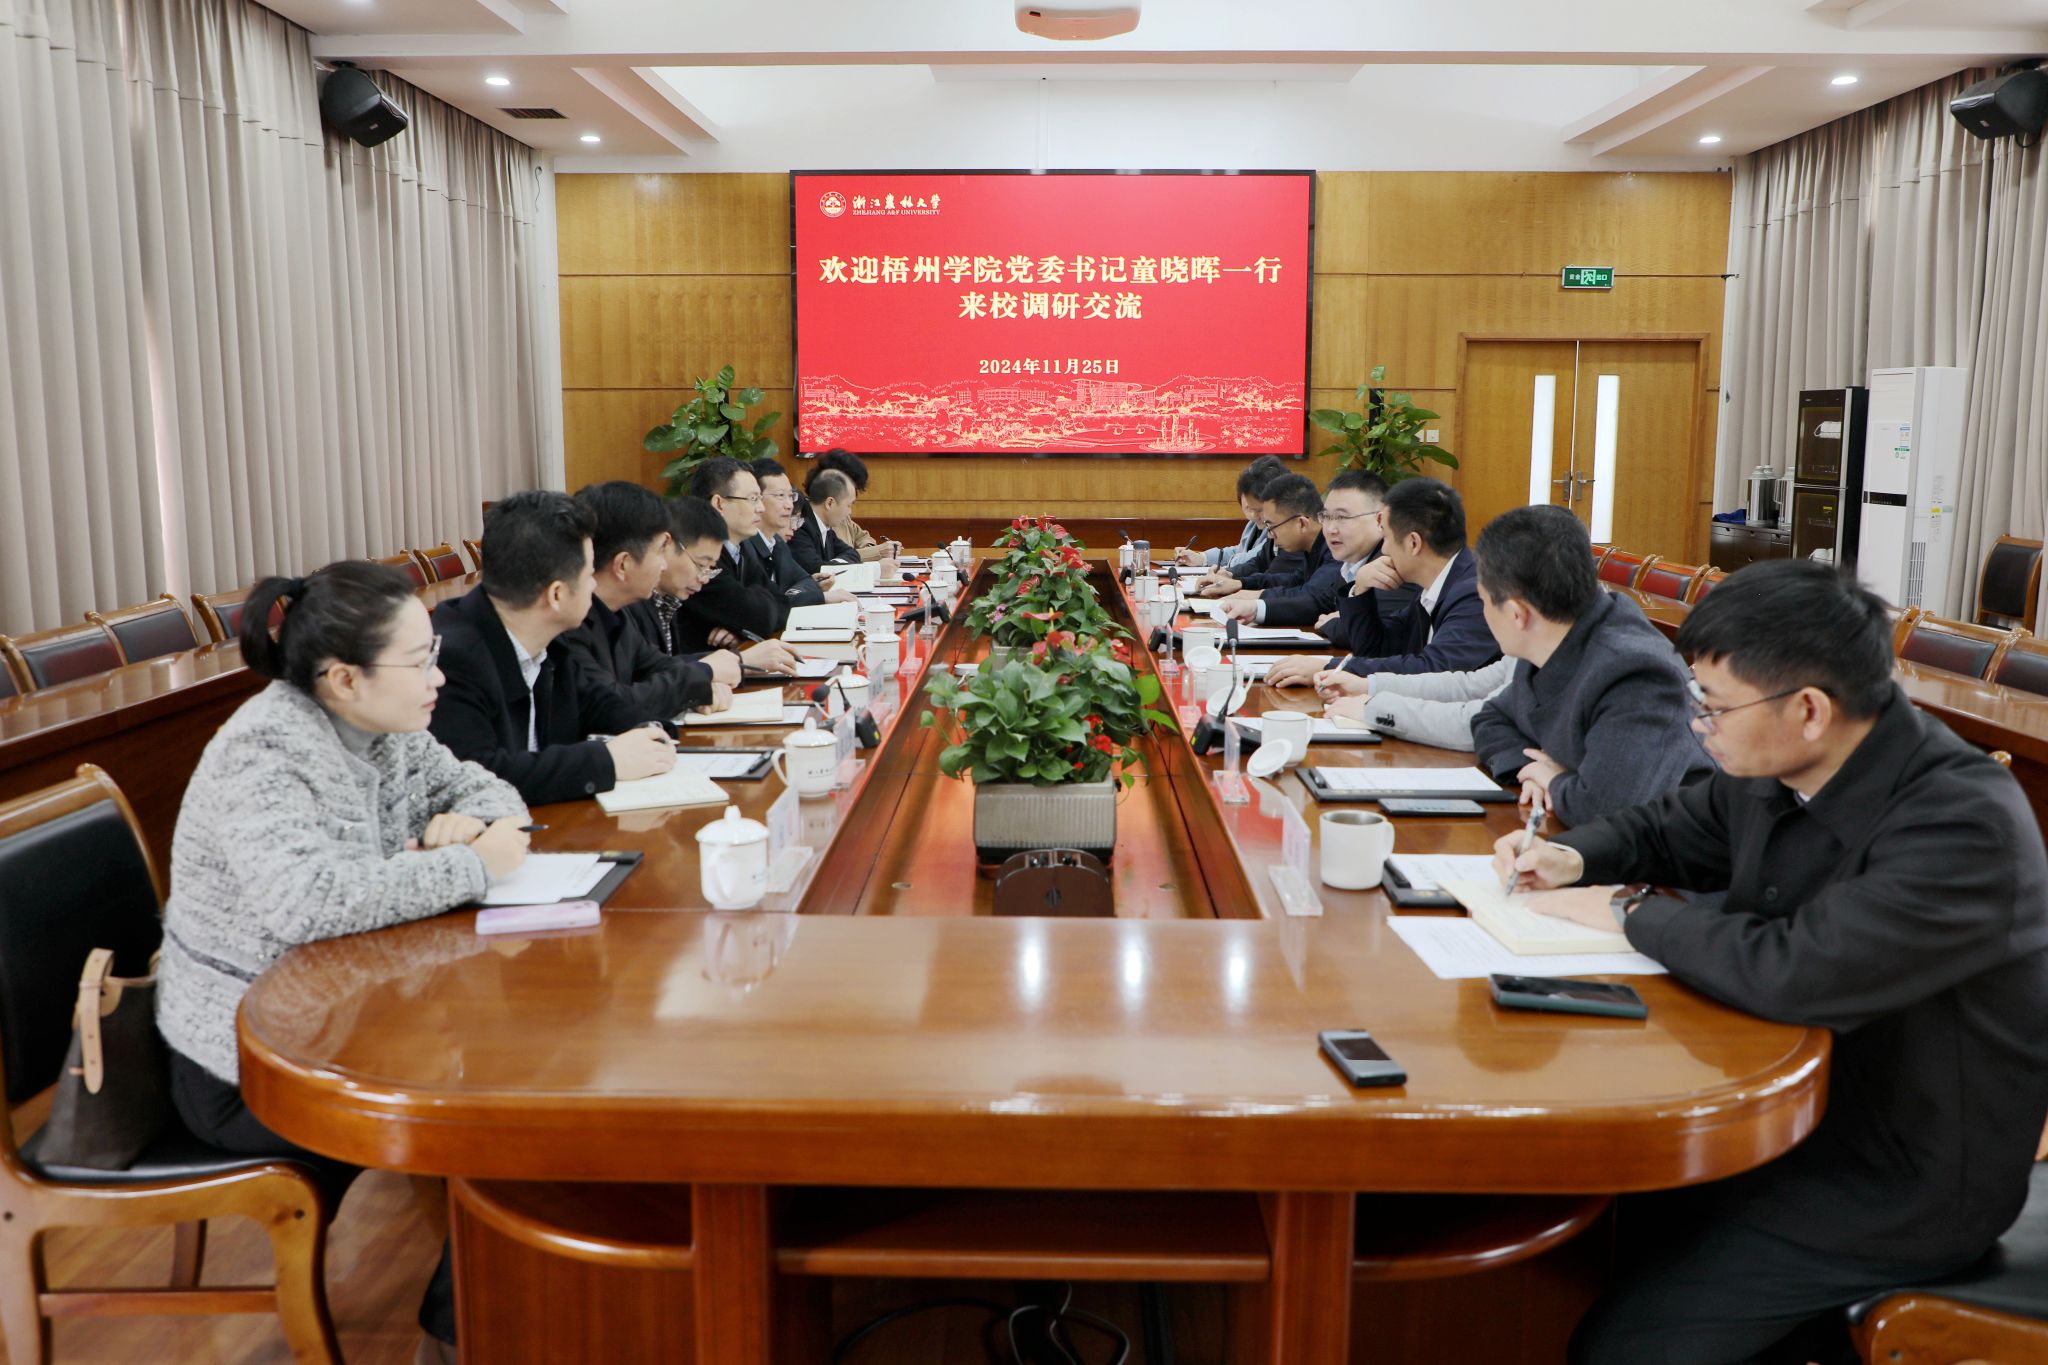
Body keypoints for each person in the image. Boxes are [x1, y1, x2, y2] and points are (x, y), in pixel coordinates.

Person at [1493, 560, 2048, 1365]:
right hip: (1777, 1117)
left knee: (1622, 1346)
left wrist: (1629, 909)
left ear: (1810, 708)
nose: (1699, 726)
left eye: (1714, 706)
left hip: (1892, 1181)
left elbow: (1796, 970)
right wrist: (1573, 856)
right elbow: (1671, 826)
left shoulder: (1962, 823)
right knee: (1581, 1234)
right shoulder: (1782, 764)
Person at [155, 560, 532, 1364]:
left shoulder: (387, 728)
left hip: (347, 1013)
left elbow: (492, 792)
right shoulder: (264, 750)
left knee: (520, 1072)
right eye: (420, 660)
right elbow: (309, 901)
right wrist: (472, 862)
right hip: (250, 1058)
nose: (439, 677)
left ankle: (482, 1318)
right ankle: (460, 1336)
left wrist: (472, 825)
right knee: (498, 1111)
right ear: (344, 677)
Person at [1465, 505, 1710, 826]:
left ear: (1517, 614)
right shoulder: (1554, 637)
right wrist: (1529, 770)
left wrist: (1555, 781)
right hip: (1579, 831)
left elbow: (1606, 810)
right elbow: (1491, 717)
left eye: (1483, 601)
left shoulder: (1638, 673)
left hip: (1671, 845)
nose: (1483, 613)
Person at [429, 490, 677, 804]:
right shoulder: (453, 658)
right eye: (588, 574)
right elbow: (478, 774)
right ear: (556, 595)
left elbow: (598, 704)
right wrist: (608, 761)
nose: (593, 585)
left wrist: (651, 731)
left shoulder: (549, 639)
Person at [1265, 477, 1499, 691]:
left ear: (1413, 543)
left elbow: (1435, 669)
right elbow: (1377, 648)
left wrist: (1330, 667)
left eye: (1386, 538)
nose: (1384, 550)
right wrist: (1360, 590)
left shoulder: (1475, 591)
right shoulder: (1437, 585)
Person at [557, 480, 735, 720]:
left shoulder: (618, 614)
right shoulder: (568, 624)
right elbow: (612, 707)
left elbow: (659, 666)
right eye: (660, 551)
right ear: (623, 564)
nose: (663, 564)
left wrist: (700, 684)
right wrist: (704, 673)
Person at [631, 495, 800, 676]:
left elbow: (665, 667)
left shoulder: (669, 599)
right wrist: (739, 661)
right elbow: (647, 677)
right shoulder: (632, 603)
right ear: (666, 544)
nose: (704, 578)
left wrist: (735, 648)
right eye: (701, 564)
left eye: (710, 569)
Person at [1220, 470, 1389, 629]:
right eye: (1327, 517)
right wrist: (1253, 602)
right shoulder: (1347, 561)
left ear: (1379, 520)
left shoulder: (1389, 564)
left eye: (1342, 517)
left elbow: (1372, 632)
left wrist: (1334, 625)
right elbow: (1318, 599)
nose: (1330, 529)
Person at [670, 457, 793, 653]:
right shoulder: (698, 560)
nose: (761, 508)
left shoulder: (741, 549)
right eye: (753, 499)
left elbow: (783, 605)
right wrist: (748, 621)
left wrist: (741, 628)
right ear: (719, 503)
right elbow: (759, 617)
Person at [1324, 656, 1515, 750]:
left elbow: (1473, 723)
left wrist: (1375, 708)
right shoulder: (1520, 656)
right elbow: (1466, 686)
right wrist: (1368, 686)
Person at [749, 458, 857, 607]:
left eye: (790, 496)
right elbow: (768, 605)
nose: (789, 505)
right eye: (780, 496)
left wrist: (801, 590)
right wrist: (816, 596)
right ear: (755, 499)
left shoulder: (777, 543)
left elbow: (805, 580)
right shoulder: (744, 546)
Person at [1177, 455, 1291, 571]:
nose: (1254, 515)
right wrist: (1202, 558)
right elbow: (1239, 551)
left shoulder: (1284, 527)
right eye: (1249, 508)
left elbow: (1255, 558)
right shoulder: (1253, 524)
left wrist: (1228, 565)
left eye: (1259, 510)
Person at [807, 448, 898, 563]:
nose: (850, 511)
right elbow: (829, 562)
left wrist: (871, 550)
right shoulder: (803, 523)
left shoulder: (841, 519)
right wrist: (876, 552)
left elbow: (861, 540)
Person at [790, 465, 864, 574]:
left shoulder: (825, 527)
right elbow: (814, 568)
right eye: (848, 505)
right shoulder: (799, 525)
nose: (850, 512)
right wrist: (832, 566)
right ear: (830, 503)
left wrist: (831, 564)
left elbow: (852, 553)